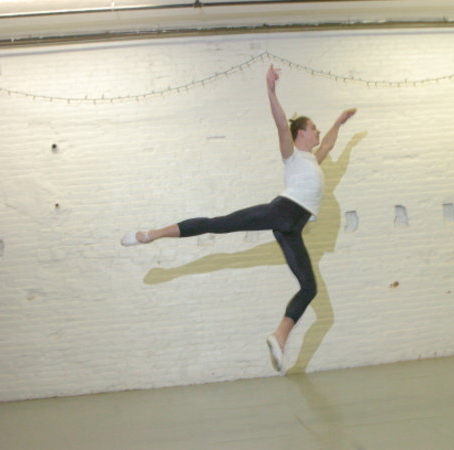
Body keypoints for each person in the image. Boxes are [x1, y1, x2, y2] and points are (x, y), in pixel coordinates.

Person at [121, 65, 356, 373]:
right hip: (282, 211)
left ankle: (279, 338)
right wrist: (271, 91)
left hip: (293, 227)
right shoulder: (293, 156)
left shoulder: (313, 159)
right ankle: (150, 235)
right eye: (315, 128)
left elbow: (328, 145)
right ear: (301, 133)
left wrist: (339, 121)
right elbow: (281, 126)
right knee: (217, 223)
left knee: (309, 288)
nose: (319, 133)